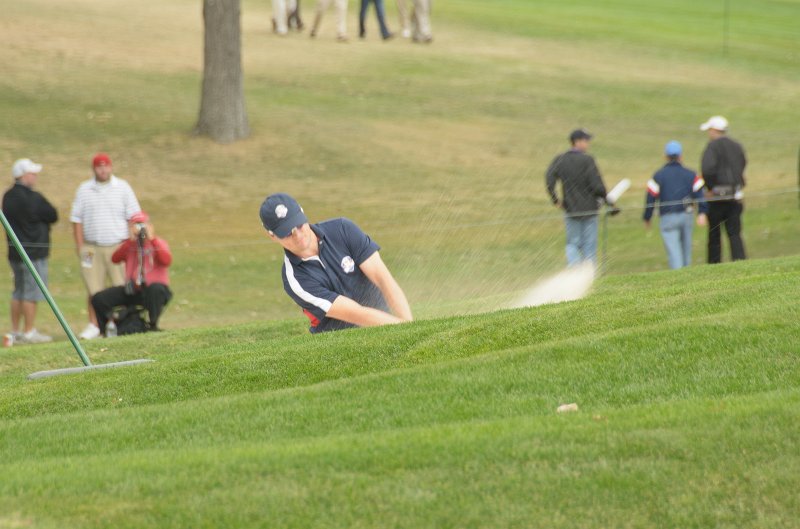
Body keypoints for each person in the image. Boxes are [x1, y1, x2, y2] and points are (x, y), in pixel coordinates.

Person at [260, 193, 413, 333]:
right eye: (287, 233)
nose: (298, 236)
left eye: (299, 225)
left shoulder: (342, 229)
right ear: (272, 236)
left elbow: (383, 279)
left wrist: (409, 325)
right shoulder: (294, 279)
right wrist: (403, 328)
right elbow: (356, 314)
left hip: (386, 319)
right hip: (343, 338)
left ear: (303, 214)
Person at [70, 153, 141, 339]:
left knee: (120, 287)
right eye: (99, 167)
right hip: (91, 248)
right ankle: (94, 324)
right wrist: (80, 246)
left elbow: (134, 217)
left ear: (111, 167)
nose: (103, 170)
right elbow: (76, 219)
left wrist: (131, 243)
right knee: (93, 288)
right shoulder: (84, 189)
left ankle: (120, 322)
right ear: (94, 169)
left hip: (118, 245)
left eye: (106, 166)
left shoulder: (123, 187)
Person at [2, 159, 58, 344]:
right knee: (31, 293)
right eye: (32, 174)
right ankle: (28, 332)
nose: (35, 177)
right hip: (33, 253)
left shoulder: (8, 196)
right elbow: (52, 215)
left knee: (18, 291)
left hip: (15, 253)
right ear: (22, 175)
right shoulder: (34, 198)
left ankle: (15, 331)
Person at [91, 211, 173, 336]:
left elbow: (166, 261)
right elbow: (115, 259)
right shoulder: (129, 245)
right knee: (99, 298)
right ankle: (109, 329)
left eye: (142, 225)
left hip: (154, 290)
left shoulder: (159, 242)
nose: (139, 229)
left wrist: (152, 239)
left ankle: (153, 325)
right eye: (136, 225)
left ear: (150, 226)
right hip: (133, 290)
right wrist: (130, 241)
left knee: (155, 289)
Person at [545, 129, 611, 266]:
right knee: (589, 245)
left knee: (572, 244)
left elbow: (549, 180)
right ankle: (588, 273)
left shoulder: (560, 159)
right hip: (590, 209)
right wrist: (607, 200)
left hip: (570, 209)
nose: (588, 144)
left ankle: (574, 271)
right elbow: (597, 186)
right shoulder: (587, 160)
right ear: (577, 142)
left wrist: (555, 200)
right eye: (586, 141)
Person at [643, 141, 708, 269]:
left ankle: (678, 274)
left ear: (665, 156)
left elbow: (650, 197)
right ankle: (686, 273)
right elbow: (699, 193)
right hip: (687, 215)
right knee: (686, 250)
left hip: (668, 216)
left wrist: (647, 217)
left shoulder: (658, 175)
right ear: (680, 156)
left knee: (674, 253)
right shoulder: (691, 174)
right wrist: (702, 212)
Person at [699, 115, 747, 263]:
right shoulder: (736, 146)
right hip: (734, 194)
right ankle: (739, 260)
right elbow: (743, 164)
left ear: (714, 130)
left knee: (714, 234)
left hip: (716, 197)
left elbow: (707, 170)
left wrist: (711, 187)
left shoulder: (712, 147)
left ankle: (714, 263)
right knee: (734, 233)